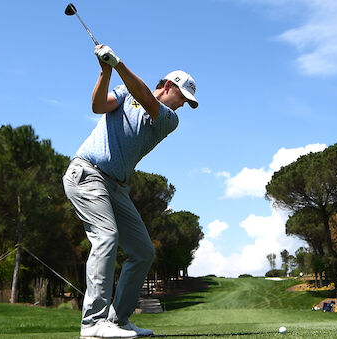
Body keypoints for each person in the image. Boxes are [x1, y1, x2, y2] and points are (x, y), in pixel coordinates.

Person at [63, 44, 198, 338]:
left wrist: (119, 64)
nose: (183, 105)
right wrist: (106, 71)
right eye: (182, 97)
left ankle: (119, 319)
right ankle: (93, 323)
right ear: (167, 85)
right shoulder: (126, 93)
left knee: (142, 251)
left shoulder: (169, 119)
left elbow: (147, 99)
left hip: (116, 187)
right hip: (87, 173)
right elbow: (98, 106)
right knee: (106, 236)